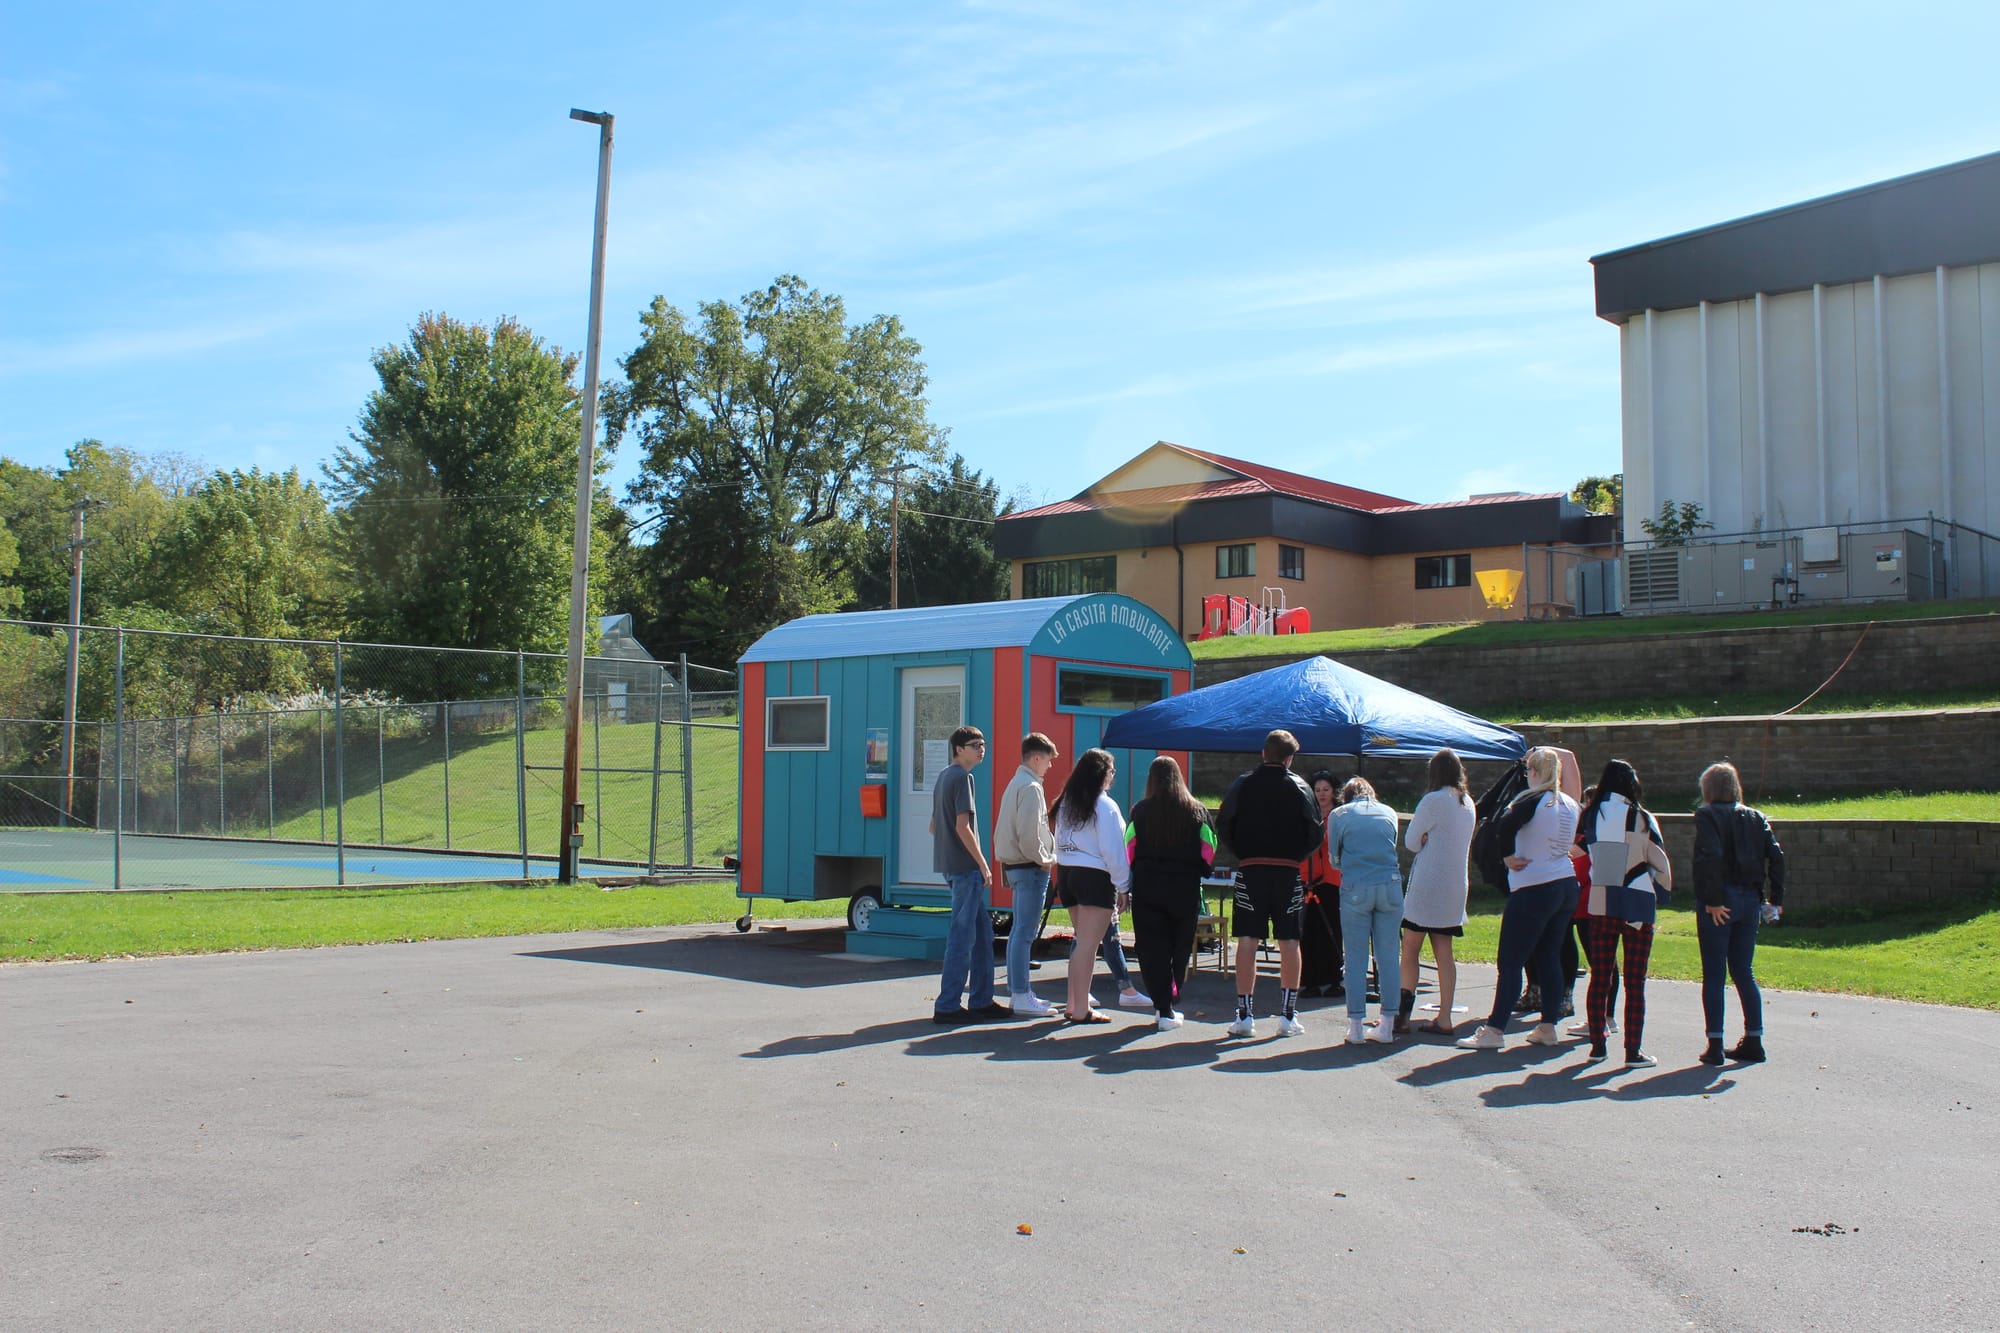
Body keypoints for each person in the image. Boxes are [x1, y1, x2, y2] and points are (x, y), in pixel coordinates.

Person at [1458, 747, 1580, 1051]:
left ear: (1535, 772)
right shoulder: (1569, 803)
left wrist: (1508, 856)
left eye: (1529, 772)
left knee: (1511, 960)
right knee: (1549, 954)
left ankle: (1495, 1028)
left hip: (1534, 885)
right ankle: (1548, 1025)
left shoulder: (1530, 799)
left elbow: (1503, 826)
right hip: (1564, 882)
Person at [1215, 729, 1325, 1038]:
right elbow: (1315, 832)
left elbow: (1224, 824)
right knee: (1289, 941)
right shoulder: (1301, 786)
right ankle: (1288, 1016)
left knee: (1247, 940)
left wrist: (1243, 852)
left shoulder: (1243, 784)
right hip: (1287, 871)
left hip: (1251, 870)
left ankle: (1244, 1016)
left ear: (1264, 753)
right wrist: (1295, 855)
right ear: (1290, 758)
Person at [1574, 760, 1670, 1066]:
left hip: (1603, 899)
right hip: (1637, 900)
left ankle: (1597, 1045)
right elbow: (1658, 857)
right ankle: (1632, 1050)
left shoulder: (1590, 815)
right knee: (1634, 982)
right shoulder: (1642, 816)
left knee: (1599, 977)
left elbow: (1576, 851)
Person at [1693, 761, 1786, 1066]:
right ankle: (1754, 1039)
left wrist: (1713, 898)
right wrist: (1775, 898)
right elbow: (1777, 856)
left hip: (1722, 899)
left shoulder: (1707, 815)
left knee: (1715, 973)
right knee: (1744, 971)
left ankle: (1715, 1043)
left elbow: (1710, 856)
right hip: (1750, 899)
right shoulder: (1756, 817)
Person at [1124, 755, 1217, 1030]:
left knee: (1152, 950)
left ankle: (1161, 1006)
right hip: (1184, 888)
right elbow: (1209, 849)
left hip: (1148, 888)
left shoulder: (1139, 811)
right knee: (1179, 948)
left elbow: (1129, 847)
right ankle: (1169, 1004)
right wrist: (1201, 869)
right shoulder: (1197, 810)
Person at [930, 725, 1010, 1024]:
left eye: (983, 744)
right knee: (962, 938)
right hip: (965, 870)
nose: (981, 749)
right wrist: (984, 864)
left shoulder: (943, 777)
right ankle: (948, 1005)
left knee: (982, 936)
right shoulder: (961, 777)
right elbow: (962, 827)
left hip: (953, 867)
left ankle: (981, 1000)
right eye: (975, 744)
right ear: (958, 749)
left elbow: (934, 825)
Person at [1399, 748, 1477, 1037]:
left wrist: (1424, 837)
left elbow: (1411, 842)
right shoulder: (1467, 802)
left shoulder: (1432, 800)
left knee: (1410, 946)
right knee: (1444, 950)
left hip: (1429, 882)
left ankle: (1403, 1014)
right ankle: (1445, 1016)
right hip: (1456, 884)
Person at [1052, 748, 1132, 1024]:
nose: (1113, 776)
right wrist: (1123, 885)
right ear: (1101, 774)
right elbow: (1113, 850)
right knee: (1088, 944)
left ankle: (1074, 1003)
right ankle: (1081, 1008)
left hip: (1067, 871)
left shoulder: (1066, 802)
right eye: (1111, 771)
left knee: (1080, 942)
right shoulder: (1104, 805)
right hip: (1094, 876)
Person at [1325, 776, 1403, 1045]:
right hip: (1390, 885)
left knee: (1356, 956)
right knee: (1389, 956)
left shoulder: (1339, 815)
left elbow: (1334, 859)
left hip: (1356, 886)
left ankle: (1356, 1025)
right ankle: (1388, 1024)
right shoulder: (1389, 812)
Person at [995, 732, 1061, 1017]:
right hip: (1030, 867)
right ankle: (1021, 994)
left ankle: (1020, 992)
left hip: (1017, 867)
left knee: (1019, 932)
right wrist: (1046, 860)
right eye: (1048, 760)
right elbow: (1029, 835)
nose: (1050, 766)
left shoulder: (1016, 782)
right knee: (1024, 933)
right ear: (1036, 757)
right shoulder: (1031, 787)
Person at [1297, 770, 1345, 997]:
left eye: (1326, 790)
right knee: (1308, 931)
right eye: (1317, 790)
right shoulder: (1308, 813)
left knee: (1331, 930)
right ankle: (1310, 980)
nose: (1321, 794)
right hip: (1307, 879)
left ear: (1334, 791)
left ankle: (1334, 978)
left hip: (1330, 879)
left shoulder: (1339, 815)